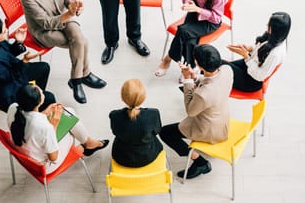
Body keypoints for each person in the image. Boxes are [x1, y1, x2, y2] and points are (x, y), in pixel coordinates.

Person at [21, 0, 107, 104]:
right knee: (81, 42)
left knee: (79, 40)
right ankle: (82, 76)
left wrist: (74, 5)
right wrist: (69, 14)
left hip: (63, 18)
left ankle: (77, 79)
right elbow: (46, 23)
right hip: (43, 31)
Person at [159, 44, 233, 179]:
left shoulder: (203, 94)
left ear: (199, 65)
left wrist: (187, 80)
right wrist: (194, 76)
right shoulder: (227, 70)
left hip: (209, 130)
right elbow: (212, 81)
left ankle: (199, 162)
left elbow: (190, 111)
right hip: (223, 121)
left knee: (165, 133)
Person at [7, 84, 109, 173]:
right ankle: (85, 146)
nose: (44, 94)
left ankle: (89, 143)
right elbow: (53, 157)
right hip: (44, 166)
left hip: (26, 152)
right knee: (71, 120)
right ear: (39, 102)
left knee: (68, 112)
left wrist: (45, 112)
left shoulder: (13, 108)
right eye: (42, 93)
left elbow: (29, 120)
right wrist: (54, 125)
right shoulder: (44, 127)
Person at [155, 0, 228, 78]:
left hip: (210, 21)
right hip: (194, 11)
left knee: (183, 30)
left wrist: (198, 9)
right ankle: (189, 68)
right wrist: (187, 2)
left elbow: (216, 18)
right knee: (189, 40)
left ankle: (167, 59)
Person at [0, 15, 55, 112]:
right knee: (50, 98)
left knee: (44, 68)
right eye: (4, 32)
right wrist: (24, 61)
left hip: (9, 73)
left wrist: (18, 42)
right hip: (5, 91)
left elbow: (7, 53)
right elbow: (11, 77)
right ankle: (34, 105)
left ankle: (36, 98)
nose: (7, 32)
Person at [224, 12, 291, 92]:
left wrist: (246, 56)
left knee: (218, 67)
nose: (266, 25)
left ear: (276, 29)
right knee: (219, 66)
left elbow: (259, 76)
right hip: (250, 65)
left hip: (251, 81)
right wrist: (249, 48)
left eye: (269, 24)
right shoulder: (277, 37)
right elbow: (263, 50)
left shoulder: (275, 54)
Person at [108, 79, 163, 167]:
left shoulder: (114, 115)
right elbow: (157, 131)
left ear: (122, 97)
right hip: (148, 156)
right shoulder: (153, 113)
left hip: (122, 157)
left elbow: (115, 132)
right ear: (143, 97)